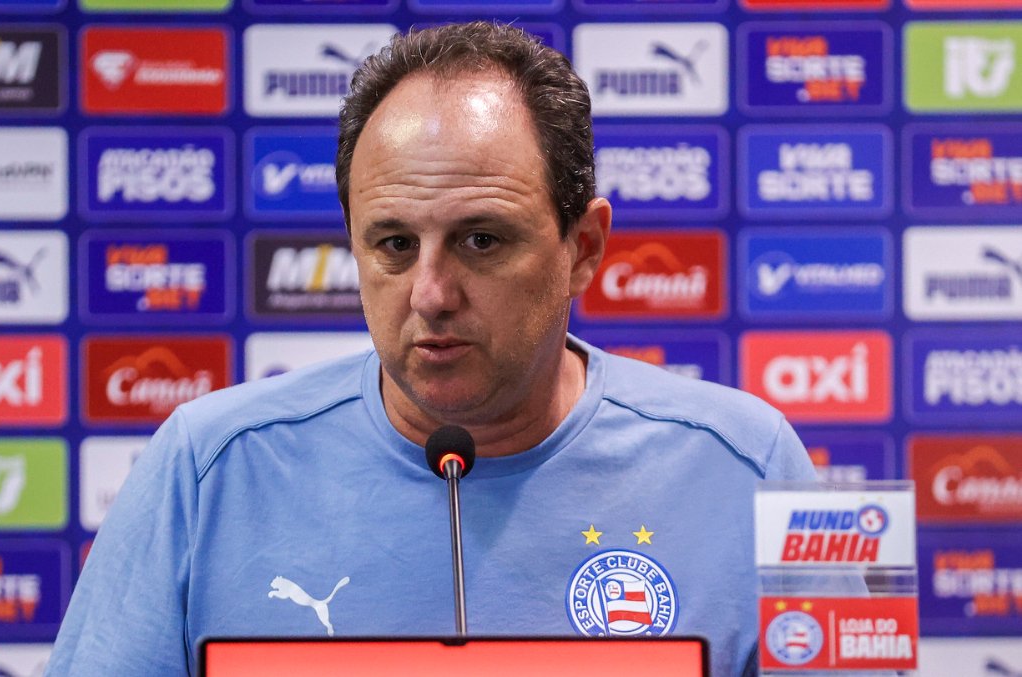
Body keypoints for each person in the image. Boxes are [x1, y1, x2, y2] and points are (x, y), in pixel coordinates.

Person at [46, 22, 815, 676]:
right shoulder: (205, 469)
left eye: (481, 240)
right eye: (393, 244)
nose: (430, 292)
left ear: (584, 246)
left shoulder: (753, 467)